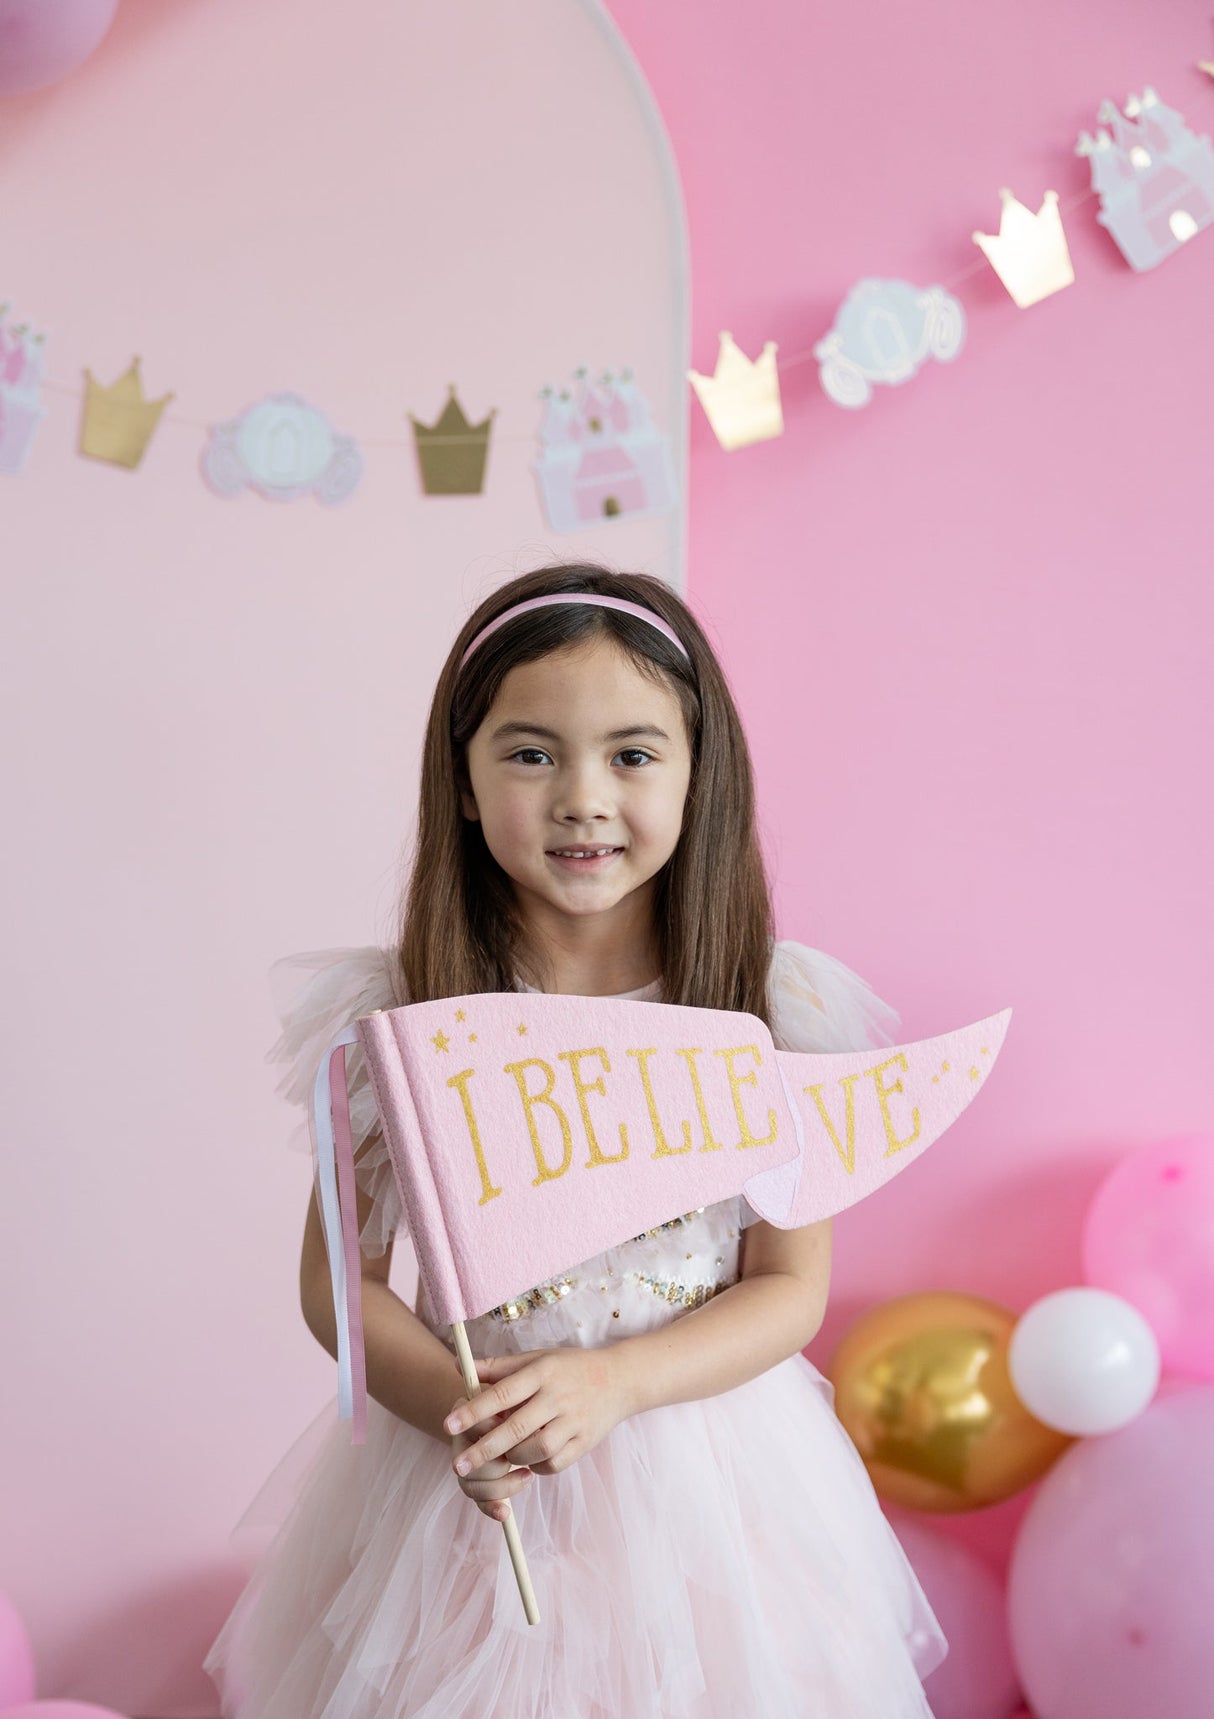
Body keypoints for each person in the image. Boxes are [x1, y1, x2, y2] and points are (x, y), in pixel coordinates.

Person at [204, 564, 948, 1718]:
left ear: (699, 778)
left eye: (633, 755)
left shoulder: (764, 1008)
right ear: (460, 777)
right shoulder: (406, 1017)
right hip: (467, 1483)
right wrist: (467, 1415)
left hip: (710, 1484)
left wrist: (615, 1382)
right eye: (530, 752)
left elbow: (790, 1291)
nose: (582, 797)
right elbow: (334, 1284)